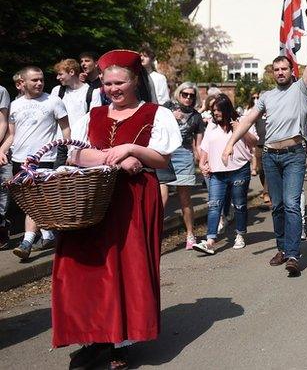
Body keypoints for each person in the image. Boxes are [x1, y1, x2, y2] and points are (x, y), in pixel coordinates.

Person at [53, 49, 181, 369]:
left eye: (119, 82)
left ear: (134, 80)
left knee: (127, 267)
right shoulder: (93, 115)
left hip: (135, 199)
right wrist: (120, 158)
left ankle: (121, 342)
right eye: (108, 83)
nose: (113, 89)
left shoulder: (156, 114)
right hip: (94, 199)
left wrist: (133, 148)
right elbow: (75, 156)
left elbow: (162, 159)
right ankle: (96, 335)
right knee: (93, 268)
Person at [224, 21, 307, 277]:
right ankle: (281, 248)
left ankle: (292, 254)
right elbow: (246, 120)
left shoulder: (301, 89)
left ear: (292, 70)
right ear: (272, 73)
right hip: (270, 156)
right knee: (276, 206)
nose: (280, 72)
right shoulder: (266, 96)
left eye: (284, 68)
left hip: (294, 155)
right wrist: (230, 143)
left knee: (291, 204)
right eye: (276, 69)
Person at [2, 66, 70, 261]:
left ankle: (27, 241)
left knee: (33, 200)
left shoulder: (54, 101)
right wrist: (2, 150)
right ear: (22, 83)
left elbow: (66, 130)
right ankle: (48, 234)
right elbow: (12, 134)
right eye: (34, 80)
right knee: (28, 202)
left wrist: (67, 152)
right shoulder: (15, 105)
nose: (39, 83)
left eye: (41, 79)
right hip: (19, 160)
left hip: (44, 159)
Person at [195, 94, 256, 254]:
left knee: (239, 205)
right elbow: (205, 147)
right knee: (214, 205)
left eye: (219, 110)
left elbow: (254, 142)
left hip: (239, 170)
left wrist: (240, 130)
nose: (215, 113)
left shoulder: (241, 121)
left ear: (227, 109)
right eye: (213, 110)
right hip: (217, 173)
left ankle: (240, 234)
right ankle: (210, 241)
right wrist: (202, 163)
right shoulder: (211, 126)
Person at [163, 82, 205, 250]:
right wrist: (171, 117)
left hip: (184, 155)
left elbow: (199, 143)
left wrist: (202, 161)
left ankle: (190, 234)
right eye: (185, 94)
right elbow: (153, 124)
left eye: (191, 95)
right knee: (162, 198)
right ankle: (151, 237)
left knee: (185, 198)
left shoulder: (196, 117)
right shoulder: (166, 107)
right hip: (165, 153)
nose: (188, 98)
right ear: (179, 94)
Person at [52, 58, 102, 166]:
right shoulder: (57, 91)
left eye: (60, 74)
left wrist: (74, 151)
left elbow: (93, 121)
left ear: (71, 72)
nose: (58, 78)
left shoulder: (92, 92)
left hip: (80, 144)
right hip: (60, 145)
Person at [0, 84, 10, 247]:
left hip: (1, 148)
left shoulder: (1, 91)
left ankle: (2, 231)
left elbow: (3, 122)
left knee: (3, 191)